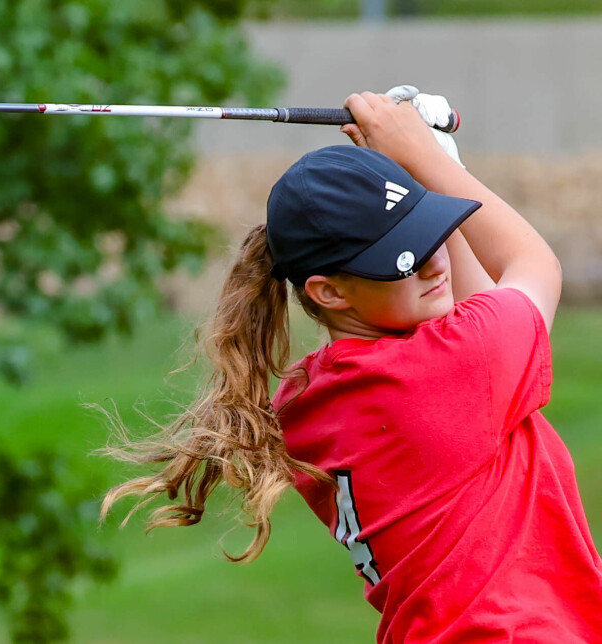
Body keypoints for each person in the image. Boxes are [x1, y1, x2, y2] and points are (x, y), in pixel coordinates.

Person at [101, 88, 602, 642]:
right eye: (402, 259)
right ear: (330, 292)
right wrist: (429, 160)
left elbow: (473, 305)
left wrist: (426, 168)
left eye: (429, 231)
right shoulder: (443, 369)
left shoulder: (307, 397)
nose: (432, 263)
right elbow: (533, 267)